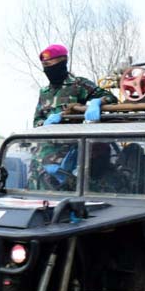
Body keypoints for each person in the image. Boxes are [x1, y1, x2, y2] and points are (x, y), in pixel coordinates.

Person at [28, 44, 117, 189]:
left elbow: (110, 97)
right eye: (44, 65)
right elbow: (37, 121)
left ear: (62, 62)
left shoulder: (78, 85)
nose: (47, 69)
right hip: (40, 158)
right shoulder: (44, 92)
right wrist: (45, 124)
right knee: (34, 192)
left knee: (63, 196)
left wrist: (97, 102)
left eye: (50, 64)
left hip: (67, 156)